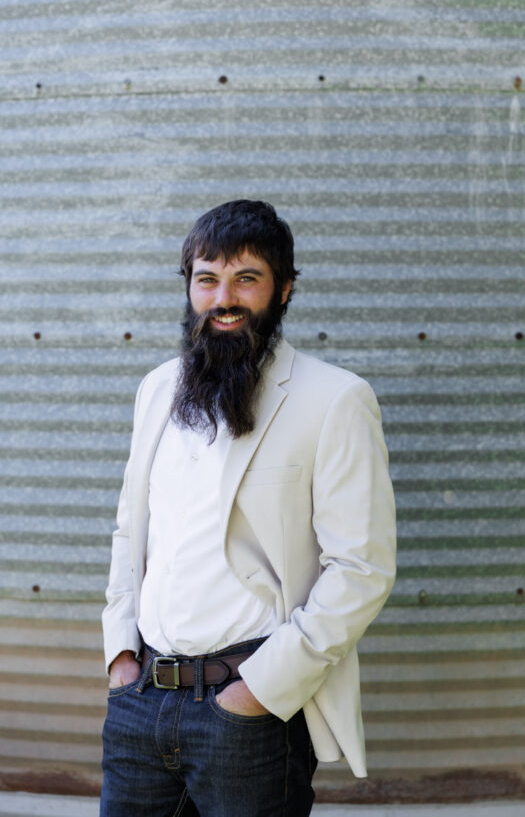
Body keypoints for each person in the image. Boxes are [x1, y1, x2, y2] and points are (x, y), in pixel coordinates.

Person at [100, 199, 396, 817]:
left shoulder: (335, 399)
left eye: (246, 279)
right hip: (140, 704)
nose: (223, 298)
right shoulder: (156, 389)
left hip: (248, 715)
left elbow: (361, 569)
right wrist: (121, 658)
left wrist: (257, 692)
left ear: (283, 290)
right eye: (207, 279)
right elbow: (131, 532)